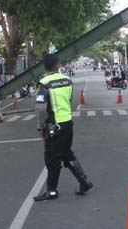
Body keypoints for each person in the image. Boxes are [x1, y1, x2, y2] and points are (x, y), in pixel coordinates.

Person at [33, 54, 93, 202]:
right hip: (68, 123)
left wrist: (40, 128)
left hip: (54, 126)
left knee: (52, 159)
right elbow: (69, 99)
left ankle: (51, 191)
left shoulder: (44, 83)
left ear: (45, 67)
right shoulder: (67, 80)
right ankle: (84, 182)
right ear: (58, 65)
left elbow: (40, 109)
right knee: (66, 153)